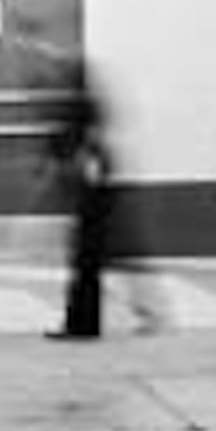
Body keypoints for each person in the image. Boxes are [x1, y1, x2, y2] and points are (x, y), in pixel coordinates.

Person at [49, 57, 122, 338]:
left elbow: (81, 146)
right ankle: (84, 322)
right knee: (87, 262)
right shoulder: (90, 106)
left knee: (85, 260)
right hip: (96, 193)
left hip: (92, 195)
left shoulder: (82, 110)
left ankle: (81, 323)